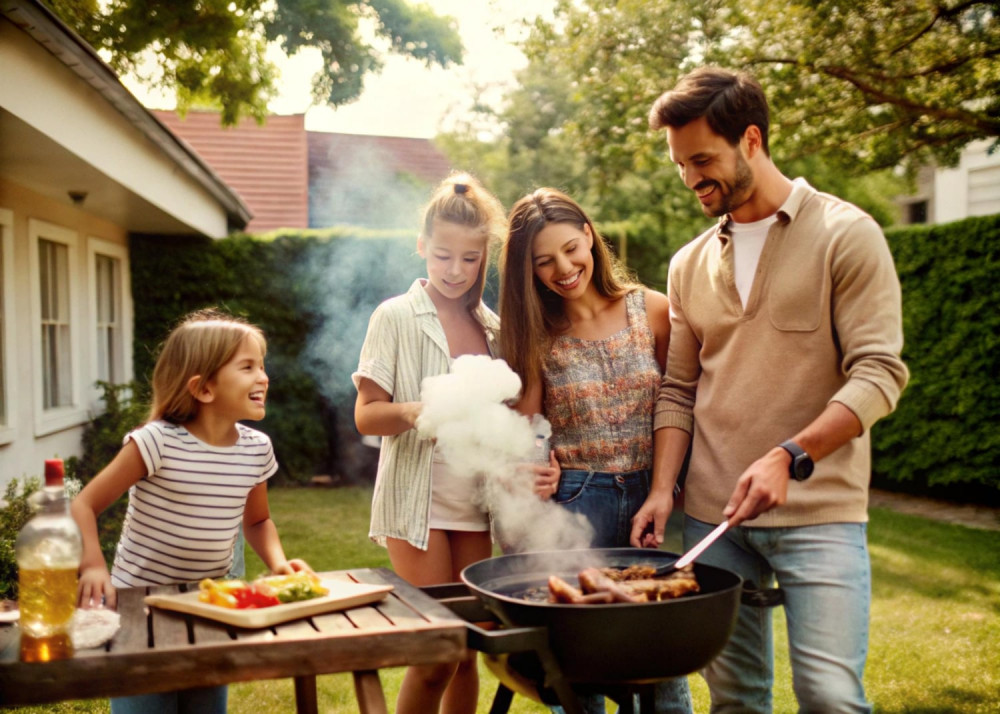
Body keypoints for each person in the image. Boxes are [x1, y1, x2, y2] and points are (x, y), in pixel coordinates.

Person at [630, 66, 909, 713]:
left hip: (822, 515)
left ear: (750, 139)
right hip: (712, 519)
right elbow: (678, 390)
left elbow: (880, 373)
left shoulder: (847, 235)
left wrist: (790, 454)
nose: (690, 178)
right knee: (735, 700)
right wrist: (660, 491)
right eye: (680, 165)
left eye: (702, 160)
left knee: (830, 697)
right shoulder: (688, 263)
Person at [353, 172, 543, 714]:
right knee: (437, 649)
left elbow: (510, 421)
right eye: (442, 256)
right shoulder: (394, 316)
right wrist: (422, 411)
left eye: (469, 258)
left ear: (487, 255)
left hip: (473, 505)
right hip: (418, 503)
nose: (455, 271)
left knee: (469, 644)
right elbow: (367, 416)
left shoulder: (495, 328)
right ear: (421, 247)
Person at [500, 188, 692, 713]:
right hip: (578, 502)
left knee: (660, 651)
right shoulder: (539, 334)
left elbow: (681, 400)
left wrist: (664, 487)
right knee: (581, 673)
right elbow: (531, 428)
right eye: (544, 262)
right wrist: (534, 462)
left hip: (653, 498)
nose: (563, 268)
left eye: (569, 248)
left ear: (589, 235)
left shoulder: (651, 310)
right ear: (530, 271)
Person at [72, 308, 314, 714]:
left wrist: (277, 563)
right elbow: (84, 504)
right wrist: (94, 565)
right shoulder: (156, 443)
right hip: (140, 609)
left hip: (207, 606)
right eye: (248, 367)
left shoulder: (256, 449)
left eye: (262, 365)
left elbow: (256, 520)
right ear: (203, 389)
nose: (263, 377)